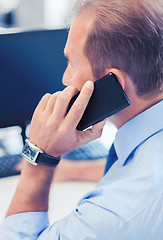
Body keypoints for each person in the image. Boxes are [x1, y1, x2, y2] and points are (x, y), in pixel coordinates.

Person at [0, 0, 163, 239]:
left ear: (112, 83)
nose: (66, 78)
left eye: (72, 63)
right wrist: (76, 170)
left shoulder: (113, 216)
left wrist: (40, 157)